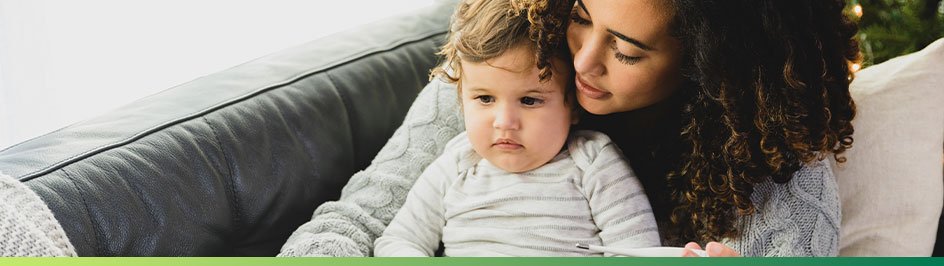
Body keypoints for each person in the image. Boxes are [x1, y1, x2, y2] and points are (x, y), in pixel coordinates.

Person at [279, 0, 857, 257]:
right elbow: (358, 219)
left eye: (627, 52)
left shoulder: (774, 165)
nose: (580, 63)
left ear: (708, 64)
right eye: (582, 17)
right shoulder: (504, 67)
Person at [372, 0, 659, 256]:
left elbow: (636, 252)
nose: (505, 122)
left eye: (529, 100)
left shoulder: (594, 162)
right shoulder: (454, 165)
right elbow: (399, 240)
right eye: (485, 98)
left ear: (572, 105)